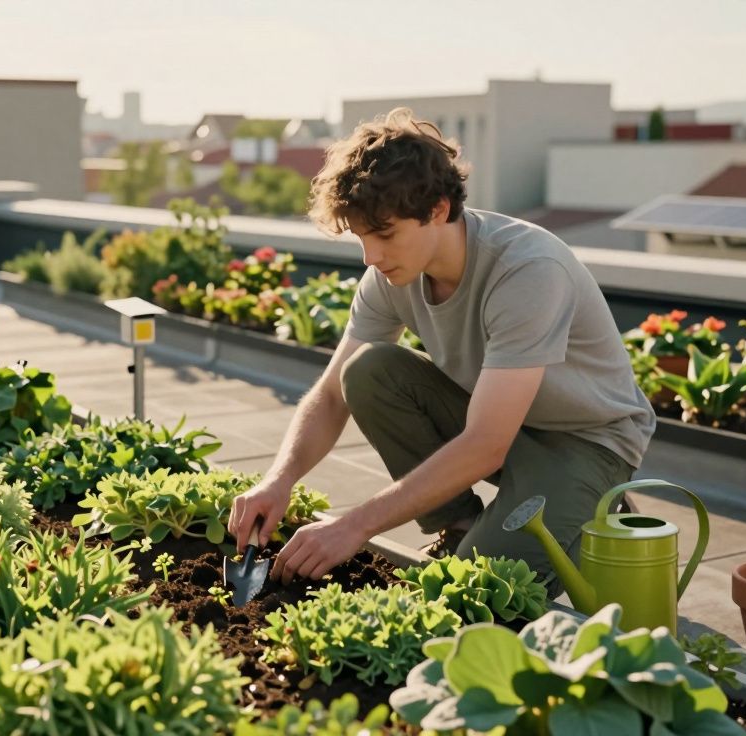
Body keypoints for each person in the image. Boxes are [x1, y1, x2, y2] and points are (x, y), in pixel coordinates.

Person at [226, 108, 656, 595]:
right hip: (497, 426)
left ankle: (595, 507)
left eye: (384, 234)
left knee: (479, 590)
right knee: (368, 371)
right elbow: (329, 398)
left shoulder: (528, 270)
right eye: (362, 238)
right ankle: (458, 528)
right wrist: (277, 481)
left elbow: (485, 444)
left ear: (437, 210)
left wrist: (354, 526)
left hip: (585, 443)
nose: (370, 257)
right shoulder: (389, 275)